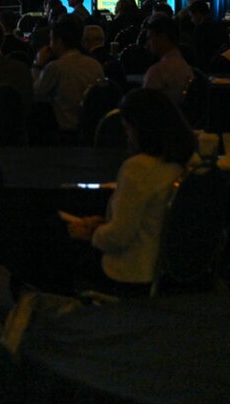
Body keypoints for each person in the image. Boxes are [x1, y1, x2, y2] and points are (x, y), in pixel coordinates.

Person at [65, 88, 190, 294]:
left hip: (130, 270)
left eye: (128, 129)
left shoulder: (138, 168)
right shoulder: (184, 162)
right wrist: (103, 225)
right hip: (163, 268)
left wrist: (91, 233)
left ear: (141, 129)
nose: (127, 136)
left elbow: (119, 237)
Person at [32, 18, 104, 136]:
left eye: (51, 40)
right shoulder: (95, 64)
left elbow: (36, 93)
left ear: (59, 41)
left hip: (64, 133)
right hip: (91, 131)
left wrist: (37, 65)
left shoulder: (55, 67)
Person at [142, 18, 192, 106]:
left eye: (150, 38)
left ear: (163, 37)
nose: (147, 44)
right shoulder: (185, 66)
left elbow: (145, 107)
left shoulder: (158, 72)